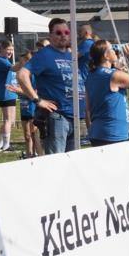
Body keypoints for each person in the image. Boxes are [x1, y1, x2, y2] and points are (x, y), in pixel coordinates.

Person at [17, 18, 83, 155]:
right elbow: (22, 75)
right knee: (56, 163)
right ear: (50, 36)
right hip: (58, 117)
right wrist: (37, 100)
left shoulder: (70, 55)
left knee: (73, 163)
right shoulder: (45, 54)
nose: (63, 35)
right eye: (58, 32)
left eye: (66, 32)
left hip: (75, 116)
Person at [85, 40, 129, 147]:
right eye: (112, 49)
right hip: (114, 133)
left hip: (97, 132)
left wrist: (90, 130)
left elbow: (87, 108)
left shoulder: (90, 75)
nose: (115, 51)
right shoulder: (113, 75)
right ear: (106, 55)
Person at [0, 40, 17, 152]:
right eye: (8, 49)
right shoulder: (1, 61)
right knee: (8, 120)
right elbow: (14, 68)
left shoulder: (3, 60)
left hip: (9, 93)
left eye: (11, 50)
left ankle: (0, 144)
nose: (10, 52)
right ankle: (6, 146)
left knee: (9, 120)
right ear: (2, 49)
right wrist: (26, 63)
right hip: (5, 93)